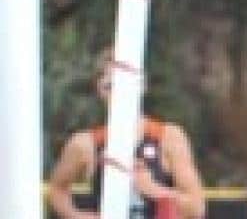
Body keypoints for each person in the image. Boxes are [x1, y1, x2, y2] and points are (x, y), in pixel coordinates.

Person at [46, 52, 207, 219]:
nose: (119, 94)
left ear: (142, 86)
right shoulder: (86, 143)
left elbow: (196, 208)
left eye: (126, 85)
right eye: (111, 86)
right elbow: (57, 189)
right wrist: (76, 216)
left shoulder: (168, 137)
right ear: (100, 89)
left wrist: (155, 190)